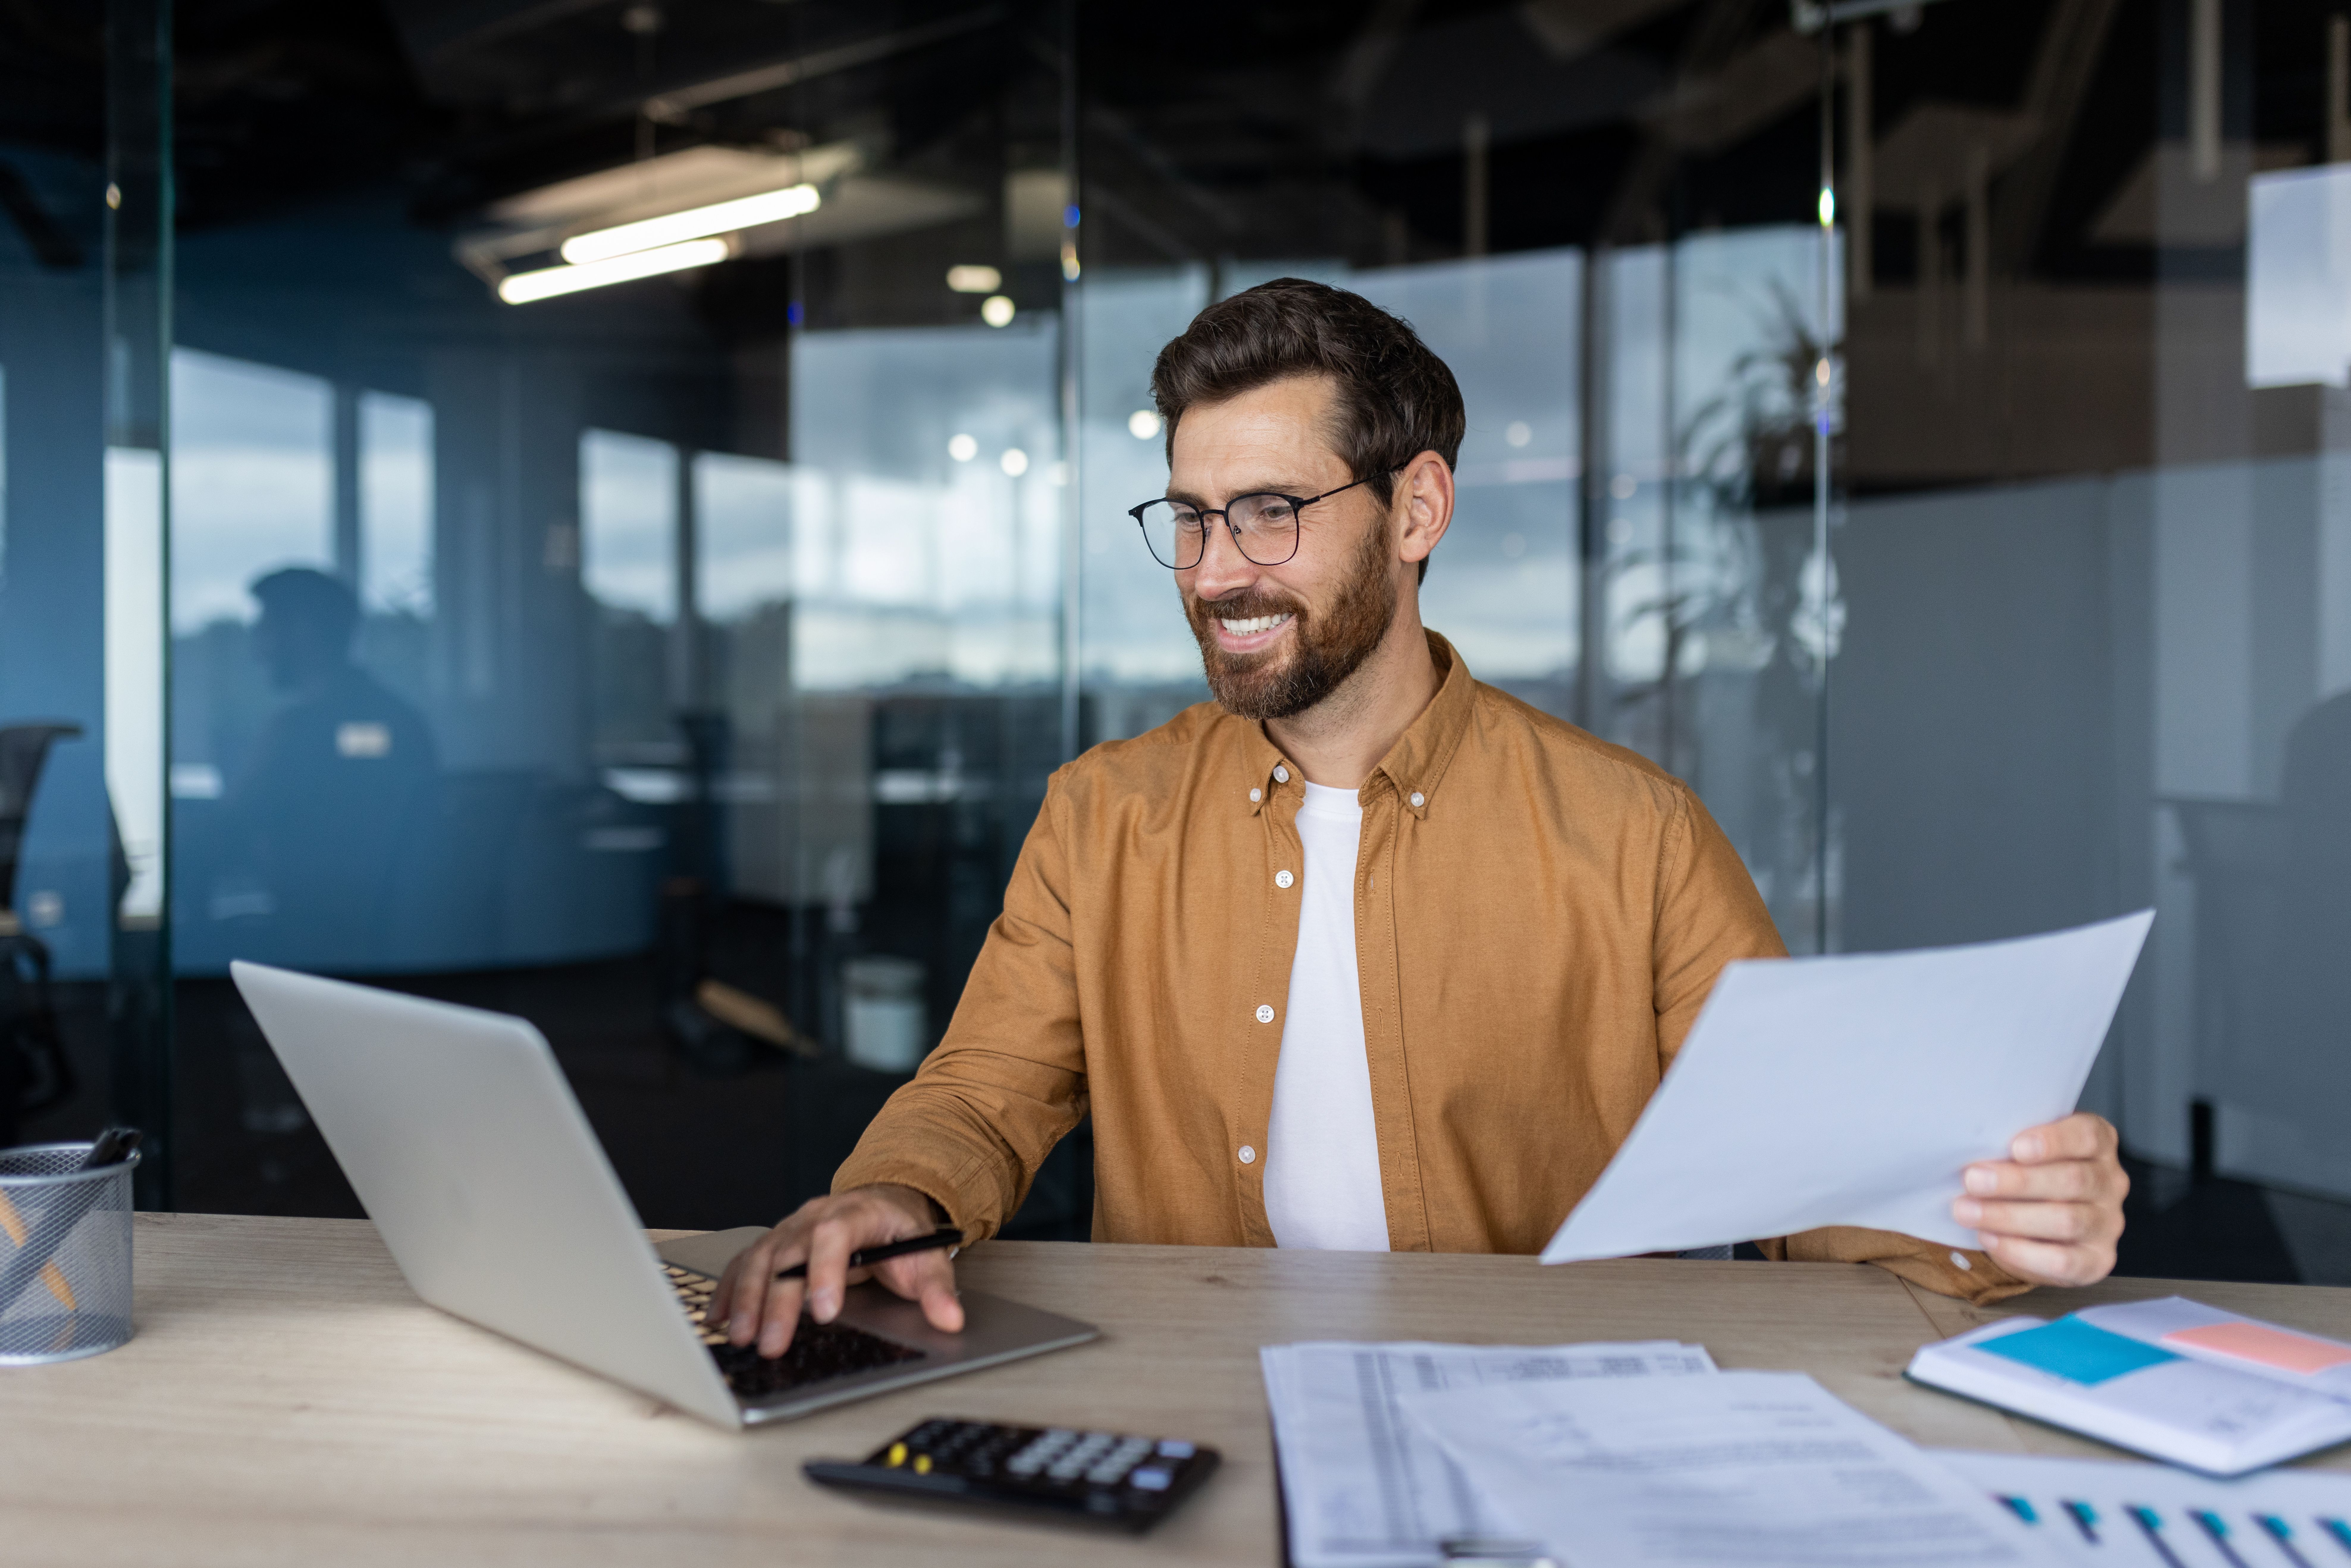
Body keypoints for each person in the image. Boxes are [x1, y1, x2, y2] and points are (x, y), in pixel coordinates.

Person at [714, 279, 2129, 1358]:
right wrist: (890, 1196)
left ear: (1416, 508)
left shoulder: (1631, 834)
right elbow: (978, 1094)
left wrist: (1999, 1216)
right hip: (1199, 1388)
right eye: (1191, 517)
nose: (1216, 570)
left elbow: (1804, 1160)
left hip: (1542, 1413)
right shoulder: (1104, 816)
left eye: (1269, 511)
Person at [222, 567, 438, 966]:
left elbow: (231, 827)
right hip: (385, 947)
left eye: (266, 628)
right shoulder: (402, 719)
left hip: (311, 948)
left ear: (303, 632)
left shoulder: (297, 732)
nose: (258, 649)